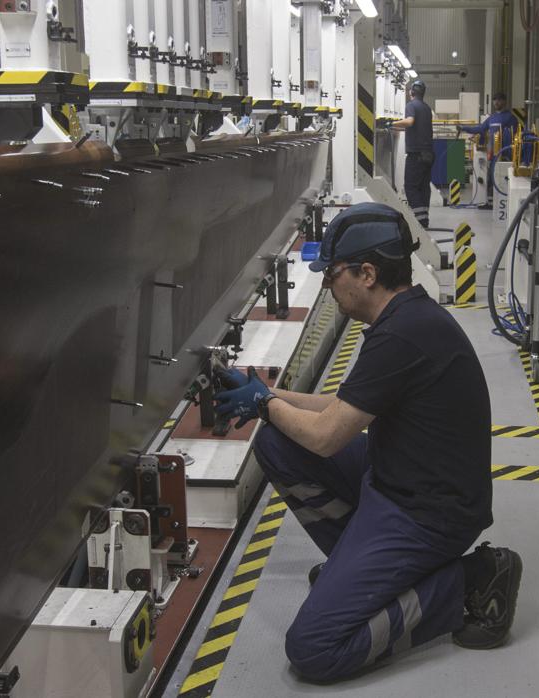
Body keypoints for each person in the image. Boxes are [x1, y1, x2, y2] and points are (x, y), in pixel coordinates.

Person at [213, 202, 522, 682]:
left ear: (367, 273)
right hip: (397, 477)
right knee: (275, 443)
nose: (327, 285)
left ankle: (470, 582)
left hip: (428, 514)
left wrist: (261, 405)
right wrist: (269, 395)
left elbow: (326, 438)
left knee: (314, 649)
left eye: (332, 274)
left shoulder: (403, 334)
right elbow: (344, 406)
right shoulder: (404, 318)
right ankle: (357, 575)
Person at [457, 92, 519, 209]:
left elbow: (515, 136)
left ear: (504, 101)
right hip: (493, 155)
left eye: (499, 100)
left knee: (503, 179)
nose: (496, 102)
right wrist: (463, 128)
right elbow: (480, 129)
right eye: (495, 100)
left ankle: (503, 204)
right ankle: (491, 203)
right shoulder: (492, 118)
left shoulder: (510, 118)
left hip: (506, 155)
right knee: (491, 178)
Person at [389, 80, 435, 228]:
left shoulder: (411, 105)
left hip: (416, 155)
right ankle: (424, 219)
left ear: (412, 92)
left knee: (410, 187)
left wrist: (391, 124)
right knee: (423, 187)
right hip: (428, 154)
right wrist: (398, 128)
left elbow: (409, 122)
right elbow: (415, 128)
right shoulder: (427, 108)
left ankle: (420, 221)